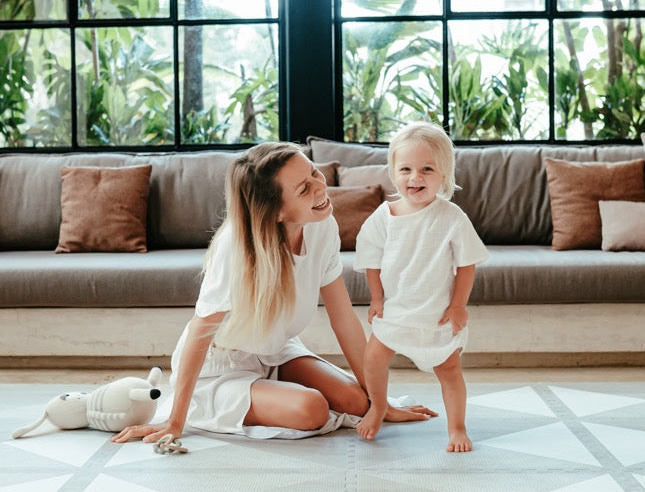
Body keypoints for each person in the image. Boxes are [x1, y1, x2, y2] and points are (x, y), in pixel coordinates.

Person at [112, 142, 435, 445]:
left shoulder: (321, 224)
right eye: (304, 189)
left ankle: (277, 391)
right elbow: (200, 332)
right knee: (312, 409)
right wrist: (175, 421)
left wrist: (381, 403)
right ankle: (221, 405)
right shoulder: (235, 250)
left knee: (357, 401)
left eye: (314, 172)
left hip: (275, 351)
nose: (320, 187)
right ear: (276, 211)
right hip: (220, 368)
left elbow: (344, 319)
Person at [354, 122, 489, 452]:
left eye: (427, 169)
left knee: (449, 370)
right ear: (393, 172)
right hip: (396, 311)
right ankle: (379, 406)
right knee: (372, 359)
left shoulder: (451, 217)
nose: (415, 178)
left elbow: (466, 263)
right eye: (406, 169)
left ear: (443, 175)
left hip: (436, 314)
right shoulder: (384, 216)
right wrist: (376, 298)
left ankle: (457, 427)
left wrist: (458, 305)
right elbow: (371, 258)